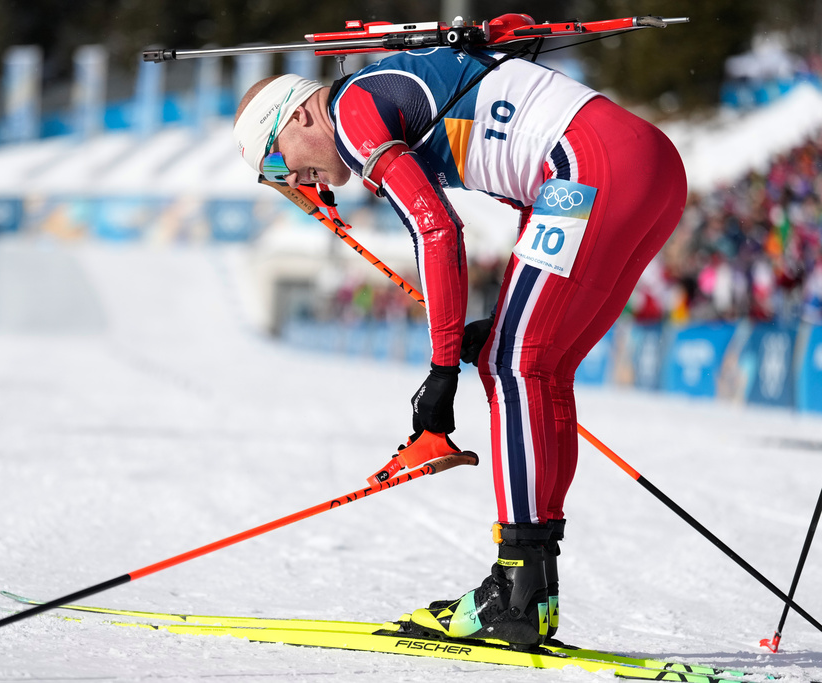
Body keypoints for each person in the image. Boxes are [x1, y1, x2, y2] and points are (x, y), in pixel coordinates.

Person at [233, 42, 687, 648]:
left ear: (298, 117)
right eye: (274, 183)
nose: (290, 182)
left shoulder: (349, 111)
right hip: (640, 168)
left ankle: (519, 592)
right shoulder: (377, 93)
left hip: (586, 168)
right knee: (537, 365)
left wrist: (442, 365)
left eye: (274, 163)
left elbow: (436, 228)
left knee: (514, 365)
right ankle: (532, 590)